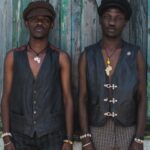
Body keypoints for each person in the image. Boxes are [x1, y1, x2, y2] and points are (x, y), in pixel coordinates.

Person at [1, 1, 73, 150]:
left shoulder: (61, 57)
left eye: (45, 19)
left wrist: (69, 139)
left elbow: (68, 99)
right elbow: (6, 98)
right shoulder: (12, 57)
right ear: (27, 23)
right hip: (19, 135)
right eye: (34, 19)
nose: (39, 22)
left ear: (52, 24)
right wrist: (7, 137)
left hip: (53, 136)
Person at [79, 0, 146, 149]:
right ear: (101, 20)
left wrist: (139, 138)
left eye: (118, 18)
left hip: (128, 129)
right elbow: (82, 99)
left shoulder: (135, 55)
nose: (112, 22)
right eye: (107, 17)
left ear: (125, 22)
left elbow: (142, 98)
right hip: (97, 130)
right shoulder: (87, 55)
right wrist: (85, 139)